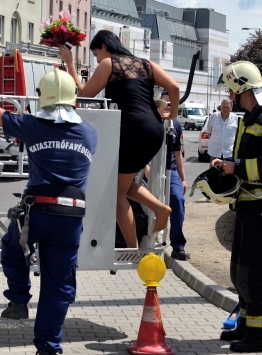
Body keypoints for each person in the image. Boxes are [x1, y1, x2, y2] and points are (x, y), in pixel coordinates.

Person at [0, 68, 98, 355]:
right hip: (71, 217)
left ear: (44, 99)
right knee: (58, 284)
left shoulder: (34, 126)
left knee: (12, 247)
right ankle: (48, 351)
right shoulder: (89, 132)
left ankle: (18, 300)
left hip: (36, 212)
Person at [59, 30, 176, 249]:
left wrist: (70, 64)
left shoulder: (109, 64)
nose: (97, 59)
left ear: (104, 46)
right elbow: (174, 87)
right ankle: (159, 210)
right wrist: (174, 114)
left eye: (95, 54)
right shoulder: (146, 64)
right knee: (121, 186)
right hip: (155, 131)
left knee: (116, 194)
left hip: (133, 130)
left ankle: (133, 249)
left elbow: (85, 95)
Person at [212, 61, 262, 353]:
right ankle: (247, 327)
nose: (230, 97)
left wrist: (238, 168)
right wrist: (225, 167)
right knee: (239, 271)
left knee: (255, 273)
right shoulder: (251, 116)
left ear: (242, 87)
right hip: (247, 205)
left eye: (232, 90)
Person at [160, 91, 189, 260]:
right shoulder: (151, 122)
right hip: (149, 170)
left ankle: (178, 245)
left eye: (172, 104)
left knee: (177, 200)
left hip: (169, 169)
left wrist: (183, 178)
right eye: (166, 103)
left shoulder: (176, 125)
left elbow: (178, 154)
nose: (168, 107)